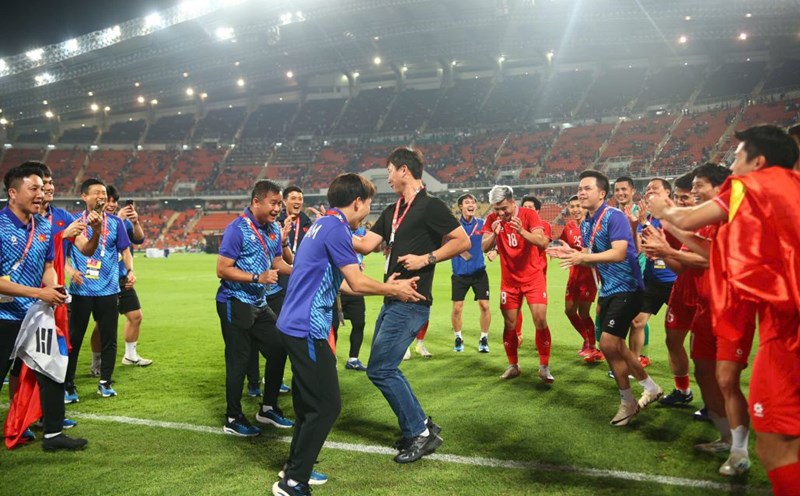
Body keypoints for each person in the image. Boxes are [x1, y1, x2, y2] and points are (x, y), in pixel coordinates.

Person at [650, 125, 800, 486]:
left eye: (736, 158)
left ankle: (738, 449)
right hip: (772, 317)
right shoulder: (791, 188)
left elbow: (686, 220)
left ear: (758, 162)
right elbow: (715, 250)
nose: (732, 167)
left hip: (786, 327)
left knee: (777, 443)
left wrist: (664, 209)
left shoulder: (751, 187)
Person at [273, 173, 424, 496]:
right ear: (357, 202)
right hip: (307, 328)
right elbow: (356, 282)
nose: (367, 212)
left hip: (294, 323)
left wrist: (387, 287)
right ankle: (292, 482)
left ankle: (296, 466)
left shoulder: (323, 225)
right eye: (368, 205)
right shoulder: (336, 228)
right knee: (326, 406)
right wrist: (392, 289)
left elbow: (338, 281)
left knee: (307, 404)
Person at [353, 146, 470, 463]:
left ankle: (419, 432)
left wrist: (427, 258)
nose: (388, 176)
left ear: (404, 170)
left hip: (412, 303)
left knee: (380, 369)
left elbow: (463, 241)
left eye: (390, 170)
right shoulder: (393, 211)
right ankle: (421, 426)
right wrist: (334, 225)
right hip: (391, 298)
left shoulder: (431, 207)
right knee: (383, 368)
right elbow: (365, 245)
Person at [549, 170, 662, 426]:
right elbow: (594, 251)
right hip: (609, 289)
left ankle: (627, 402)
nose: (581, 192)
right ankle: (650, 387)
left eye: (587, 188)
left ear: (602, 193)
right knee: (615, 345)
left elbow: (620, 252)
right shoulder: (587, 222)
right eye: (580, 188)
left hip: (628, 287)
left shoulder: (615, 216)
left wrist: (583, 258)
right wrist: (573, 251)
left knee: (609, 344)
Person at [0, 163, 89, 450]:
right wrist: (41, 292)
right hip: (3, 315)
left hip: (35, 313)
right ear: (13, 193)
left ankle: (53, 434)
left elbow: (49, 264)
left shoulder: (44, 226)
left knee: (51, 368)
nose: (42, 194)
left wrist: (52, 287)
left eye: (43, 188)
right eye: (34, 188)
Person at [216, 180, 294, 437]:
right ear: (256, 201)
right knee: (238, 359)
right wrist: (257, 278)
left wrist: (300, 272)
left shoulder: (272, 230)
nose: (277, 209)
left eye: (279, 204)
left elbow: (277, 261)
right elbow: (223, 269)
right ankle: (232, 416)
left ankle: (268, 407)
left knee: (279, 348)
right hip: (234, 302)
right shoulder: (237, 229)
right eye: (273, 203)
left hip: (259, 304)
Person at [64, 178, 133, 400]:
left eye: (104, 192)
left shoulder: (116, 223)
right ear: (84, 196)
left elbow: (125, 250)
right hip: (81, 290)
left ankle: (105, 382)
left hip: (109, 290)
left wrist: (130, 271)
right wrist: (70, 271)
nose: (102, 196)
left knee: (109, 339)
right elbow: (62, 256)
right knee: (73, 339)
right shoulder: (75, 223)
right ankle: (68, 384)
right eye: (97, 192)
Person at [481, 186, 553, 383]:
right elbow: (483, 247)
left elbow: (541, 242)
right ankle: (513, 365)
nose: (501, 213)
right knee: (510, 323)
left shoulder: (528, 214)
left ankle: (544, 367)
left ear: (513, 202)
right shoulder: (492, 220)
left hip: (533, 278)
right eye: (497, 209)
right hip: (509, 281)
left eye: (504, 208)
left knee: (540, 319)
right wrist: (494, 234)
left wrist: (521, 231)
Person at [639, 173, 699, 407]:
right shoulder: (669, 221)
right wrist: (659, 250)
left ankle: (715, 406)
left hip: (705, 293)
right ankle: (683, 391)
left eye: (688, 197)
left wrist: (667, 252)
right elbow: (678, 264)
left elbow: (704, 259)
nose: (682, 201)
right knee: (673, 341)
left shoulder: (707, 224)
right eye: (680, 196)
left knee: (702, 354)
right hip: (679, 288)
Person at [245, 186, 309, 396]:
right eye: (292, 199)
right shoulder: (271, 221)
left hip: (280, 288)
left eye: (300, 198)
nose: (297, 202)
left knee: (279, 337)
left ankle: (275, 380)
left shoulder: (305, 221)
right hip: (258, 290)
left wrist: (284, 243)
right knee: (253, 341)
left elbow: (283, 259)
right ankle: (254, 382)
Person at [87, 185, 150, 375]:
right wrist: (119, 220)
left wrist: (135, 222)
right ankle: (96, 362)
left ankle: (130, 355)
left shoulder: (121, 222)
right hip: (101, 279)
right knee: (101, 324)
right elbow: (89, 247)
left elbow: (139, 239)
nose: (112, 204)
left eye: (115, 201)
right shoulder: (92, 222)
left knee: (135, 316)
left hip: (122, 278)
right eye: (108, 200)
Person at [628, 179, 678, 366]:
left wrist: (642, 224)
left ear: (668, 193)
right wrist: (636, 226)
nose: (649, 191)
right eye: (647, 189)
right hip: (652, 281)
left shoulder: (676, 216)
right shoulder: (647, 218)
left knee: (678, 331)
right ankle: (634, 364)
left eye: (654, 189)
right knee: (637, 322)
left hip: (675, 281)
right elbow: (638, 248)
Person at [557, 195, 601, 361]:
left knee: (584, 312)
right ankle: (587, 339)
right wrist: (559, 252)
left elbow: (595, 251)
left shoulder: (592, 226)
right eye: (572, 206)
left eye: (578, 206)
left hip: (589, 274)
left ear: (584, 207)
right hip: (574, 274)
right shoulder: (568, 227)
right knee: (569, 310)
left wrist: (576, 253)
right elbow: (562, 245)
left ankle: (593, 346)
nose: (575, 209)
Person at [613, 176, 651, 364]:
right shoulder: (611, 215)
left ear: (633, 191)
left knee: (636, 321)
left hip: (639, 275)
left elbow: (640, 247)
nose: (620, 193)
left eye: (624, 189)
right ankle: (624, 360)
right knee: (619, 321)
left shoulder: (641, 213)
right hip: (616, 276)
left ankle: (635, 361)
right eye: (617, 190)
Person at [450, 193, 491, 353]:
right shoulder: (454, 227)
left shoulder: (482, 224)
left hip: (479, 273)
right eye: (467, 202)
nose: (471, 204)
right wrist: (464, 253)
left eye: (473, 202)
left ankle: (484, 338)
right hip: (459, 274)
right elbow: (447, 245)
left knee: (484, 305)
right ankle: (458, 337)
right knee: (457, 308)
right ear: (460, 207)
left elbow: (489, 242)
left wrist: (494, 250)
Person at [331, 224, 369, 371]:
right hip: (337, 288)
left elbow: (375, 247)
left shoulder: (361, 233)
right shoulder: (336, 231)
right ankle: (331, 357)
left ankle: (353, 359)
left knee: (359, 323)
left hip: (356, 287)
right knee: (333, 326)